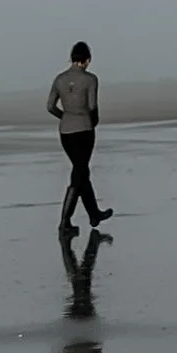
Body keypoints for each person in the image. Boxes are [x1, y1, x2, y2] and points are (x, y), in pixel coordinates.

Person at [47, 41, 107, 234]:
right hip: (84, 131)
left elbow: (50, 106)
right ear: (87, 59)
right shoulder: (91, 79)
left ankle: (94, 214)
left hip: (65, 132)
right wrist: (92, 122)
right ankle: (65, 221)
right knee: (79, 173)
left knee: (81, 171)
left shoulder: (59, 79)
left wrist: (64, 116)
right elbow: (92, 107)